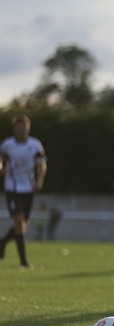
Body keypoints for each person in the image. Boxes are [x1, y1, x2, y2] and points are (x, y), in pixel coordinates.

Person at [0, 115, 47, 269]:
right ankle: (24, 262)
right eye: (18, 127)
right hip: (12, 188)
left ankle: (2, 242)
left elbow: (41, 164)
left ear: (28, 128)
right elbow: (1, 162)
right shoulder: (7, 145)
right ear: (14, 129)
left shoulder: (35, 145)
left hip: (28, 188)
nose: (21, 130)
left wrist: (39, 180)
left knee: (22, 226)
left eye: (24, 127)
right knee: (19, 222)